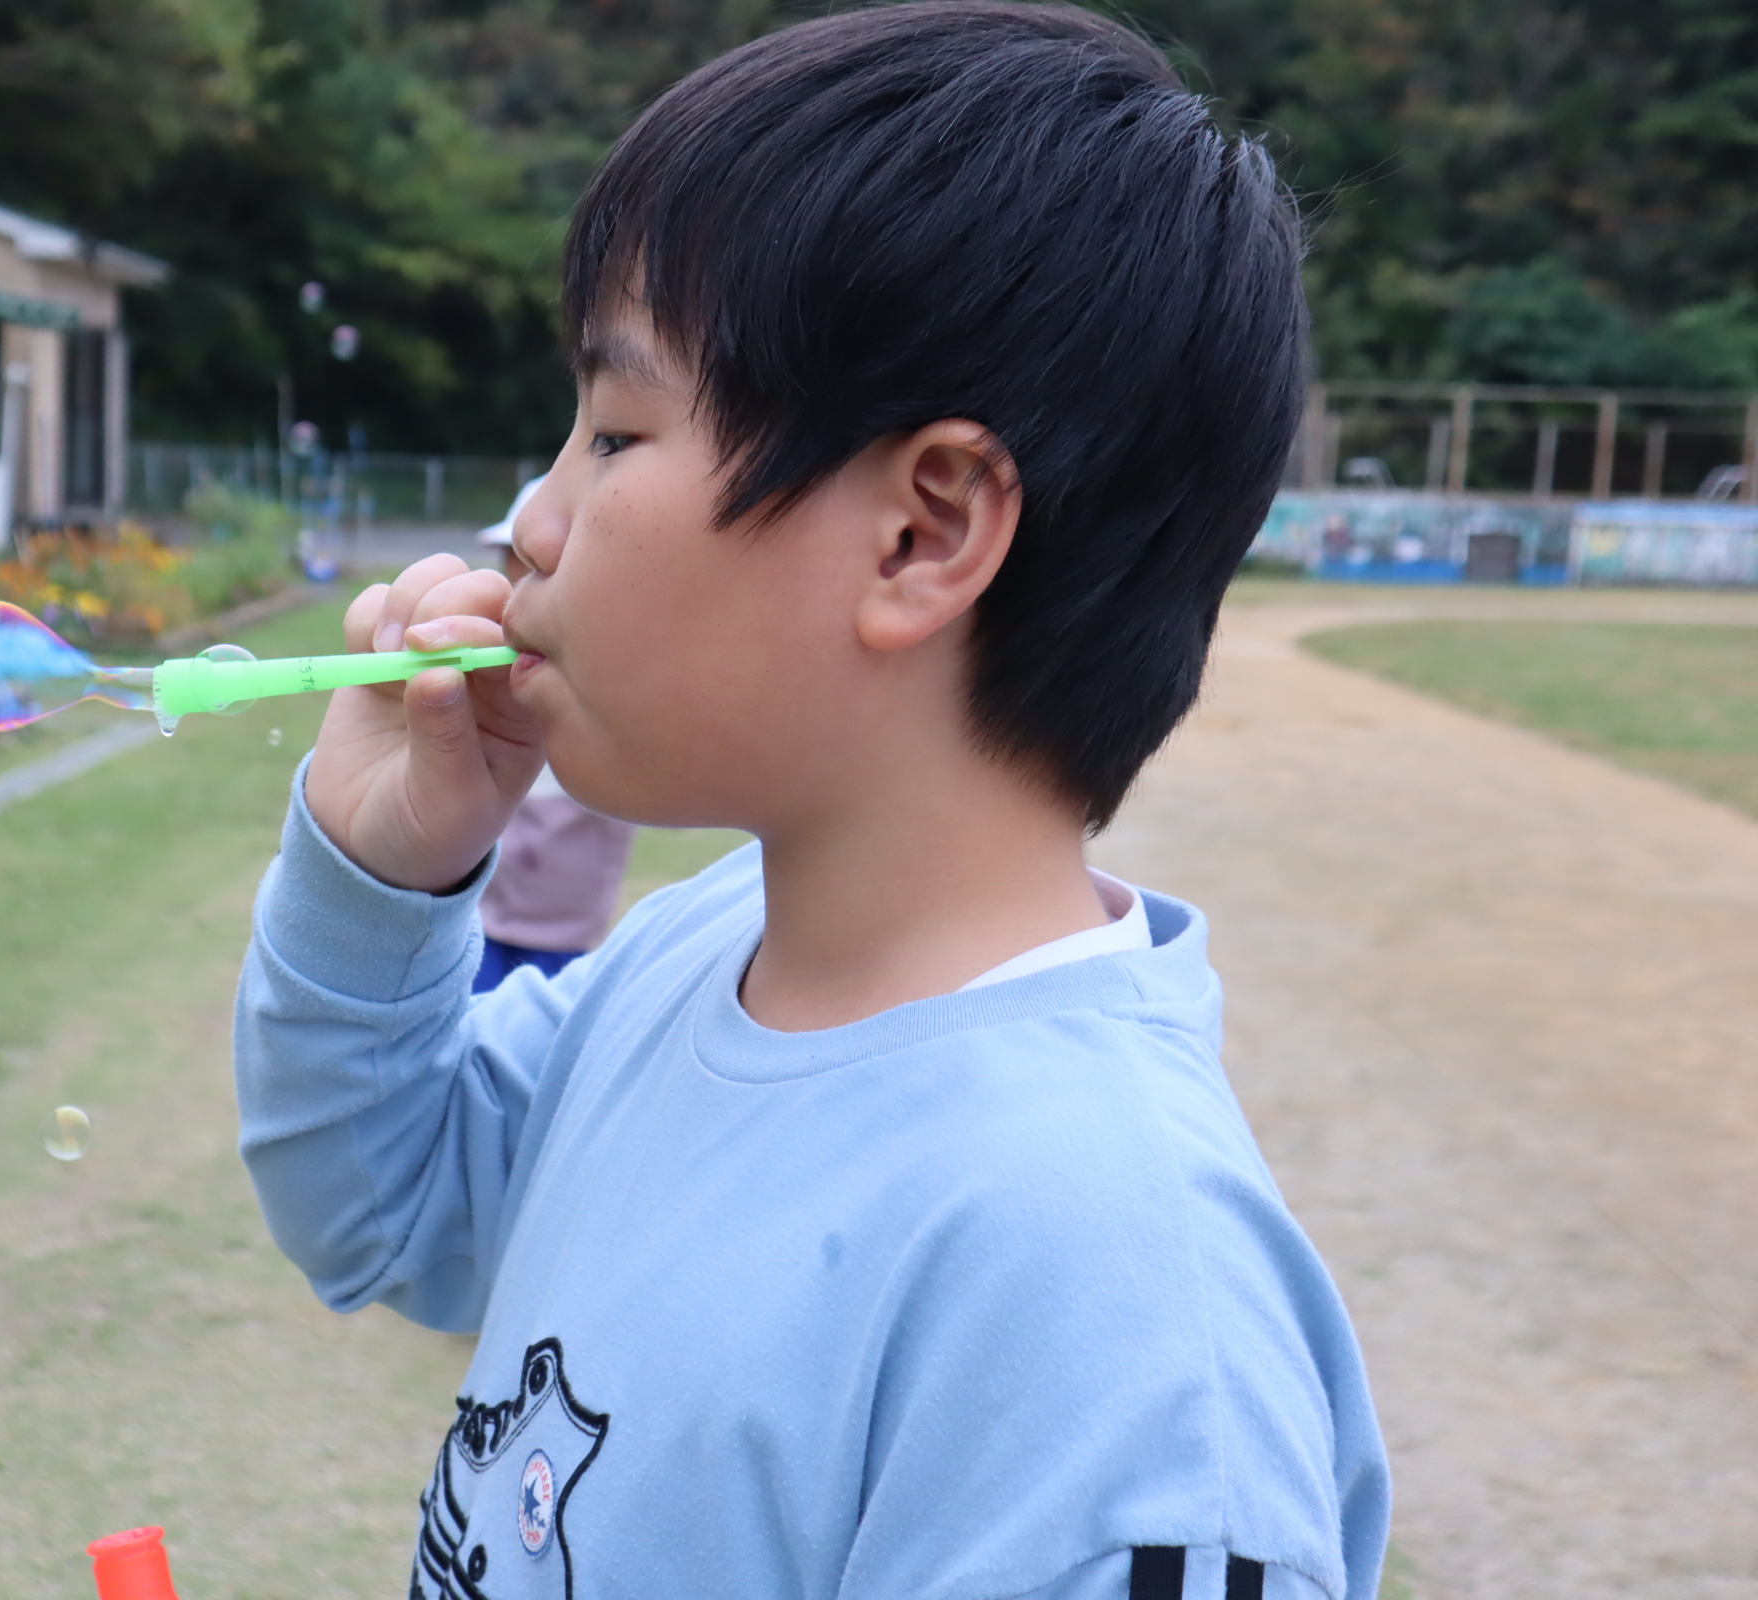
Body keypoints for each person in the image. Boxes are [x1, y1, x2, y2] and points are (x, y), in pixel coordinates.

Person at [234, 6, 1391, 1597]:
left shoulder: (1111, 1311)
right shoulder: (692, 960)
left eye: (615, 430)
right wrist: (384, 881)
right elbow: (387, 1212)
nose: (530, 524)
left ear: (922, 534)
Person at [471, 476, 639, 991]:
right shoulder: (487, 680)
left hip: (563, 927)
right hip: (481, 918)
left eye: (540, 562)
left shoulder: (611, 692)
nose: (524, 575)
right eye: (512, 557)